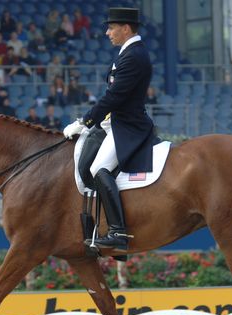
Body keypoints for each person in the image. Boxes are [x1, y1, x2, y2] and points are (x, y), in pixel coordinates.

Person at [63, 7, 156, 251]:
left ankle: (118, 232)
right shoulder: (129, 53)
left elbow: (114, 97)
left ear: (125, 29)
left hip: (127, 125)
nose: (107, 33)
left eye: (111, 28)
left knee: (98, 168)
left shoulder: (134, 56)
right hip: (115, 121)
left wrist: (84, 122)